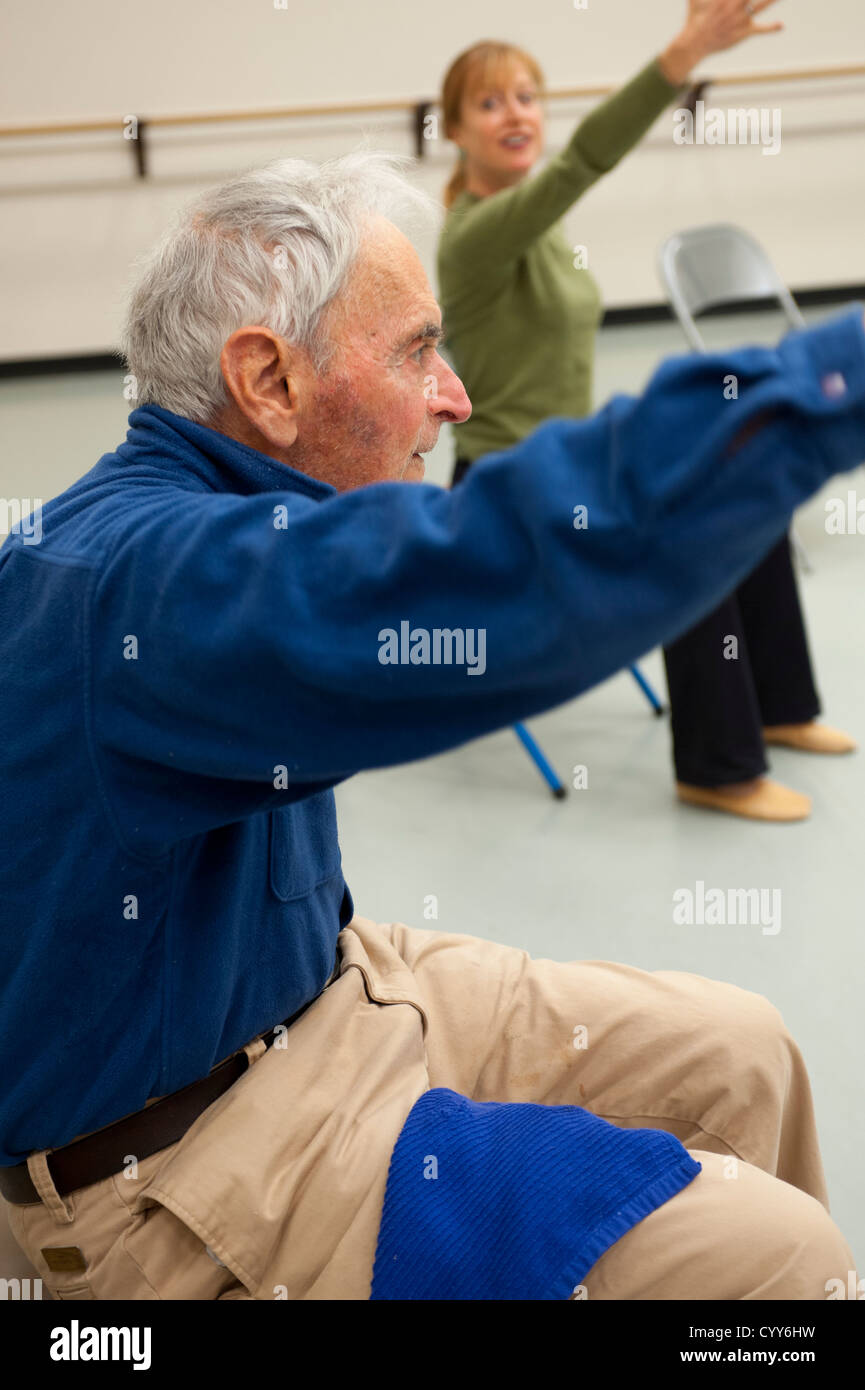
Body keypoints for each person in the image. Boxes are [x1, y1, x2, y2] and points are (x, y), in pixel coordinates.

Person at [1, 153, 863, 1300]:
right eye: (415, 349)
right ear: (268, 380)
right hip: (192, 1159)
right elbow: (494, 579)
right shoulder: (151, 588)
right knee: (772, 1256)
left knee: (746, 1047)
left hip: (327, 989)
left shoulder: (194, 522)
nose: (453, 396)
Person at [437, 3, 856, 824]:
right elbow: (582, 164)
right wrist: (676, 60)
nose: (515, 113)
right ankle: (716, 765)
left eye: (526, 95)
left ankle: (779, 707)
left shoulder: (539, 227)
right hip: (510, 489)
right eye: (489, 102)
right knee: (687, 533)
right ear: (452, 128)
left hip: (568, 460)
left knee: (745, 482)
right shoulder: (476, 234)